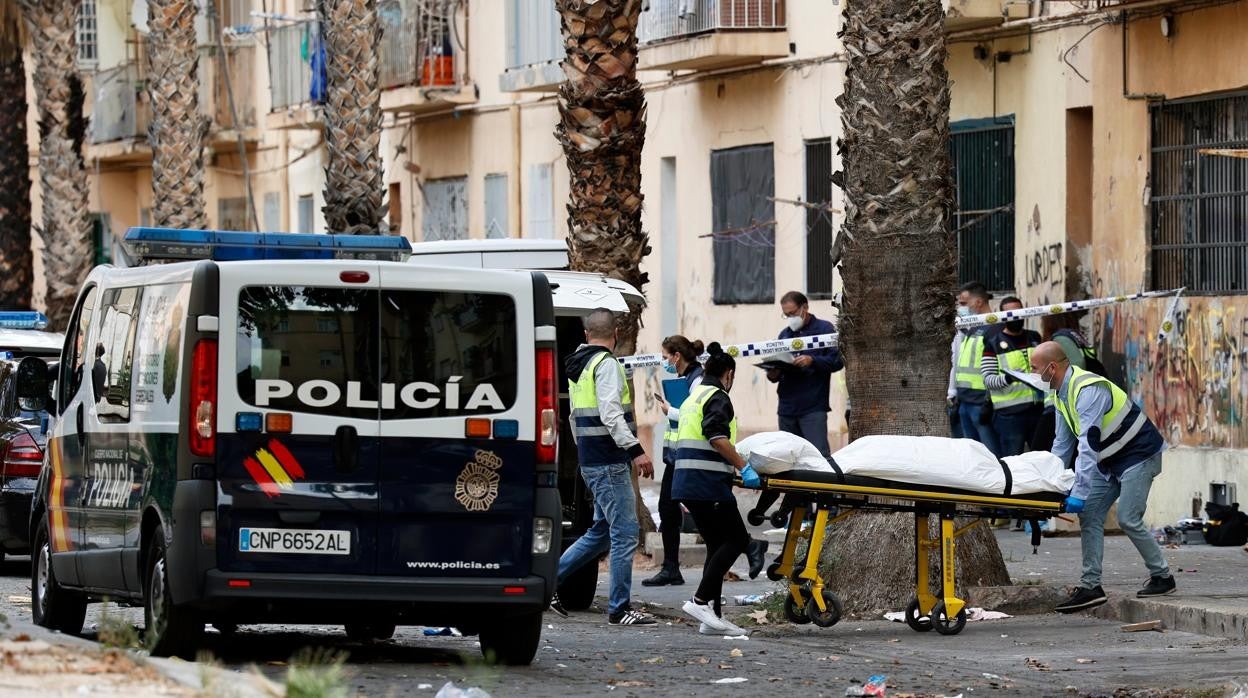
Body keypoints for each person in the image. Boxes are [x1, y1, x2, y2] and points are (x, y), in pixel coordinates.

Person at [1027, 342, 1177, 613]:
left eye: (1034, 368)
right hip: (1110, 460)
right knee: (1091, 514)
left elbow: (1087, 444)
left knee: (1128, 518)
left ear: (1052, 367)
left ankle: (1163, 576)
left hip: (1138, 454)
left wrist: (1079, 492)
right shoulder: (1060, 394)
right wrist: (1048, 486)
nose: (1032, 374)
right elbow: (1062, 445)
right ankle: (1090, 587)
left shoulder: (1088, 390)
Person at [550, 308, 656, 626]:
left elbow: (571, 417)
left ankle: (547, 585)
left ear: (586, 335)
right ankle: (620, 609)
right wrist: (636, 450)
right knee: (624, 533)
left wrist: (585, 451)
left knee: (601, 533)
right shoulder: (606, 365)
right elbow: (611, 414)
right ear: (616, 334)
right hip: (610, 461)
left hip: (592, 459)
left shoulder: (580, 367)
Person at [673, 342, 759, 636]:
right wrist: (743, 466)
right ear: (728, 375)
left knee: (716, 544)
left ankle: (711, 618)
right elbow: (717, 438)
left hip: (686, 481)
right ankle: (699, 601)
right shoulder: (718, 397)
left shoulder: (693, 396)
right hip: (707, 484)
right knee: (736, 539)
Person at [643, 335, 704, 587]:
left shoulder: (698, 379)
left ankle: (748, 545)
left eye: (667, 356)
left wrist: (671, 411)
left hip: (690, 456)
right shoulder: (685, 379)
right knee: (668, 509)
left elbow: (697, 415)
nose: (665, 361)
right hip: (677, 456)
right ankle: (671, 568)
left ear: (677, 356)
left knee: (701, 510)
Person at [766, 291, 843, 457]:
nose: (790, 318)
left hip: (813, 407)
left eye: (793, 313)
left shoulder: (824, 330)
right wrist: (774, 370)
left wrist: (812, 360)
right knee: (790, 456)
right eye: (786, 315)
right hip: (786, 408)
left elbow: (837, 362)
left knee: (818, 456)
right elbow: (773, 375)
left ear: (805, 307)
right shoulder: (785, 335)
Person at [980, 296, 1043, 458]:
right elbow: (988, 380)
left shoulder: (1034, 337)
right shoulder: (993, 344)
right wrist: (1010, 378)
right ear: (1002, 317)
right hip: (1010, 417)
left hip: (1038, 410)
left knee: (1043, 458)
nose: (1015, 316)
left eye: (1019, 311)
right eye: (1010, 313)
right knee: (1013, 462)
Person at [1031, 313, 1099, 451]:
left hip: (1070, 397)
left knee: (1040, 446)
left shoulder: (1061, 339)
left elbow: (1077, 363)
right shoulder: (1074, 335)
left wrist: (1063, 386)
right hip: (1077, 396)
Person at [952, 282, 1000, 455]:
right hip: (965, 401)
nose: (961, 308)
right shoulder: (974, 327)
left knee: (990, 454)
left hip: (981, 402)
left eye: (964, 303)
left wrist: (988, 400)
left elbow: (996, 366)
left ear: (978, 302)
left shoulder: (994, 327)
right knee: (971, 454)